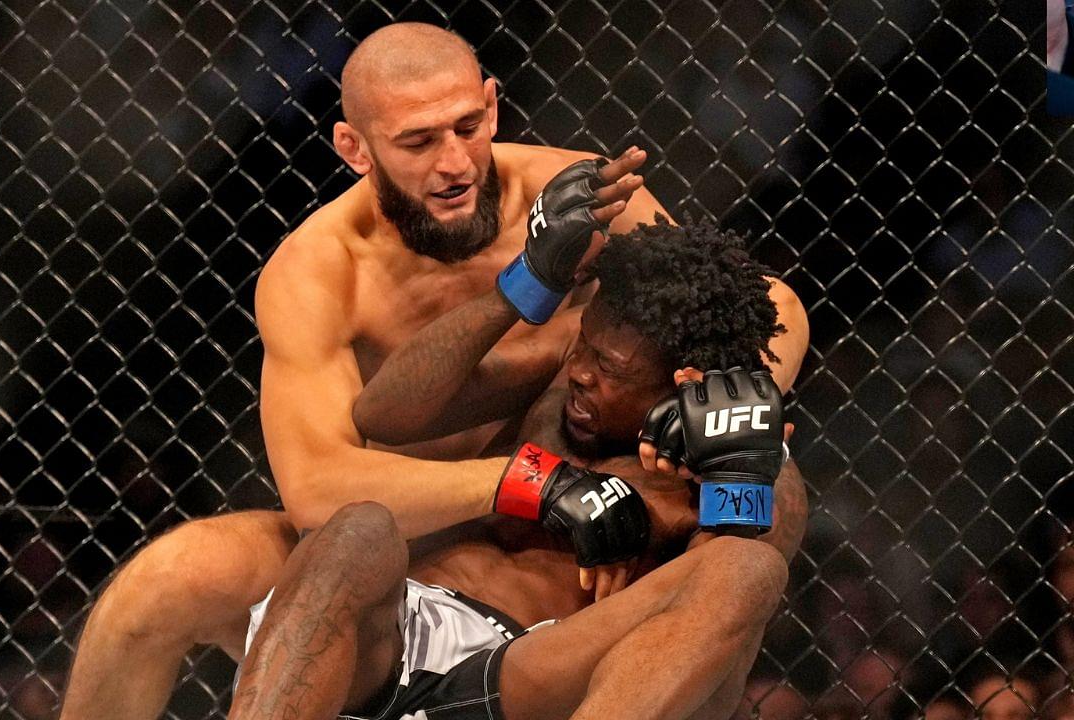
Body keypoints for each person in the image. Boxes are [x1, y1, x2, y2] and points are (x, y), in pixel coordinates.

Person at [59, 22, 808, 720]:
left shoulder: (583, 201)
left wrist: (724, 400)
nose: (453, 164)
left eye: (467, 127)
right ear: (356, 148)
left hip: (578, 566)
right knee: (166, 581)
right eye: (416, 142)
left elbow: (749, 305)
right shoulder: (320, 270)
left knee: (764, 483)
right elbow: (321, 486)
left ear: (492, 104)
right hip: (406, 546)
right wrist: (537, 476)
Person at [228, 221, 810, 720]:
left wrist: (739, 482)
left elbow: (729, 614)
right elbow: (384, 413)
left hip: (526, 676)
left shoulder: (742, 461)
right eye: (584, 345)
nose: (579, 370)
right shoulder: (567, 371)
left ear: (681, 382)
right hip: (399, 632)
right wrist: (521, 283)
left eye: (608, 365)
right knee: (358, 530)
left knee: (747, 564)